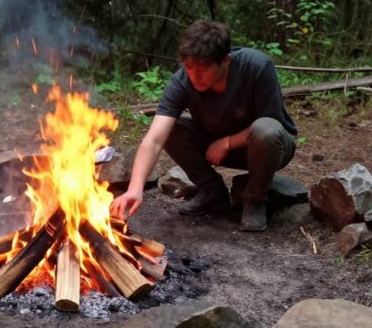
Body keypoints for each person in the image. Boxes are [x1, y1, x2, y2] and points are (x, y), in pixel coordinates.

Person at [109, 20, 297, 231]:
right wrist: (135, 189)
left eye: (203, 69)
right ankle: (213, 193)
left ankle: (254, 200)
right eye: (189, 67)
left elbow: (273, 125)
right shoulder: (182, 81)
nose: (194, 76)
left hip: (269, 148)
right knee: (172, 129)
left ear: (225, 61)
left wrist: (227, 142)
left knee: (266, 130)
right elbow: (153, 140)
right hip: (214, 145)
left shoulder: (257, 67)